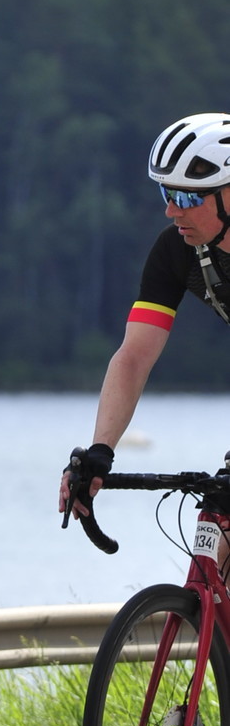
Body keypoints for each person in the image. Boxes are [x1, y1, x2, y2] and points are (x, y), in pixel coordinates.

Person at [62, 111, 230, 521]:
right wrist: (100, 451)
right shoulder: (176, 251)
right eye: (166, 194)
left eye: (188, 198)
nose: (172, 211)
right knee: (219, 523)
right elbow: (135, 356)